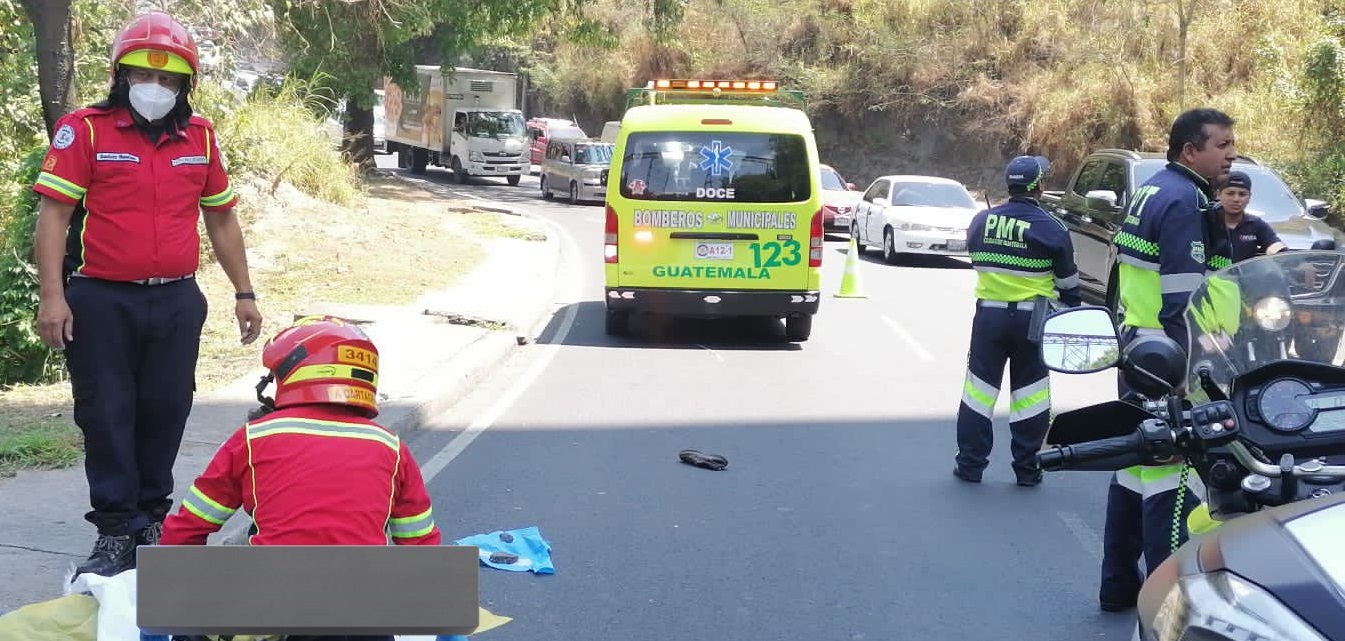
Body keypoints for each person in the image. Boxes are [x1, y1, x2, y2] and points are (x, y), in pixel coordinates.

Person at [30, 11, 263, 578]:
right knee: (107, 413)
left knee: (167, 408)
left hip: (177, 301)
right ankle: (115, 531)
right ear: (120, 74)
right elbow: (54, 217)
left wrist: (244, 292)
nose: (154, 88)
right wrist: (52, 296)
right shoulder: (85, 130)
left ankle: (152, 522)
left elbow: (223, 221)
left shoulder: (201, 137)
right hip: (101, 301)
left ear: (186, 84)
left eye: (168, 79)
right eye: (141, 74)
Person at [158, 316, 441, 641]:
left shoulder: (253, 438)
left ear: (292, 376)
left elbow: (187, 529)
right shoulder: (391, 448)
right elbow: (420, 547)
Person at [1102, 107, 1238, 612]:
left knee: (1132, 467)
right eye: (1221, 145)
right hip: (1168, 359)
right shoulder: (1184, 202)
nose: (1231, 153)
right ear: (1190, 150)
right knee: (1173, 477)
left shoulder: (1155, 189)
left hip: (1139, 347)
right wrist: (1186, 376)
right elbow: (1182, 298)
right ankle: (1167, 607)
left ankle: (1117, 585)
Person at [953, 155, 1082, 487]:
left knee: (978, 394)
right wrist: (1069, 308)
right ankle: (1027, 469)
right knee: (1031, 396)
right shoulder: (1052, 228)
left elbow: (974, 256)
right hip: (1032, 321)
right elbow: (1069, 285)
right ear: (1038, 186)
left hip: (988, 319)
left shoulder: (982, 221)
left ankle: (970, 466)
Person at [1218, 170, 1285, 262]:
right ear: (1218, 195)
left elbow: (1275, 247)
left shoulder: (1255, 224)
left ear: (1249, 197)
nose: (1236, 199)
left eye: (1242, 194)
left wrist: (1296, 263)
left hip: (1245, 276)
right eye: (1230, 193)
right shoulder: (1206, 221)